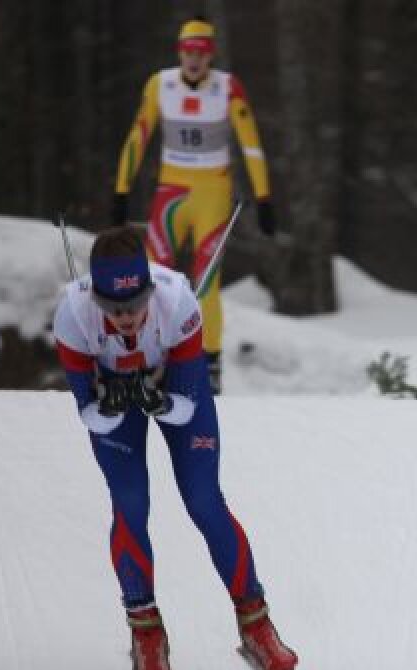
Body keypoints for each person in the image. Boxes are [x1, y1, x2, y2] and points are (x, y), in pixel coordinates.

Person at [54, 225, 297, 670]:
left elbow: (187, 402)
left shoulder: (179, 302)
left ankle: (256, 625)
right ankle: (146, 633)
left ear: (149, 290)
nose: (126, 318)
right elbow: (88, 414)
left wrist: (158, 400)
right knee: (130, 503)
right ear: (96, 300)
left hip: (175, 392)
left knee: (204, 501)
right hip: (115, 402)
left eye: (134, 304)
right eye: (113, 308)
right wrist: (109, 405)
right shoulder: (72, 316)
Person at [111, 15, 277, 394]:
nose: (194, 59)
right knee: (151, 276)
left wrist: (264, 197)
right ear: (179, 52)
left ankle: (210, 360)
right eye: (188, 51)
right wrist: (121, 190)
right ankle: (149, 355)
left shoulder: (227, 87)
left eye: (201, 52)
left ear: (211, 54)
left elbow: (251, 144)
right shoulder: (160, 84)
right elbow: (138, 137)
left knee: (206, 281)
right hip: (171, 191)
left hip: (212, 193)